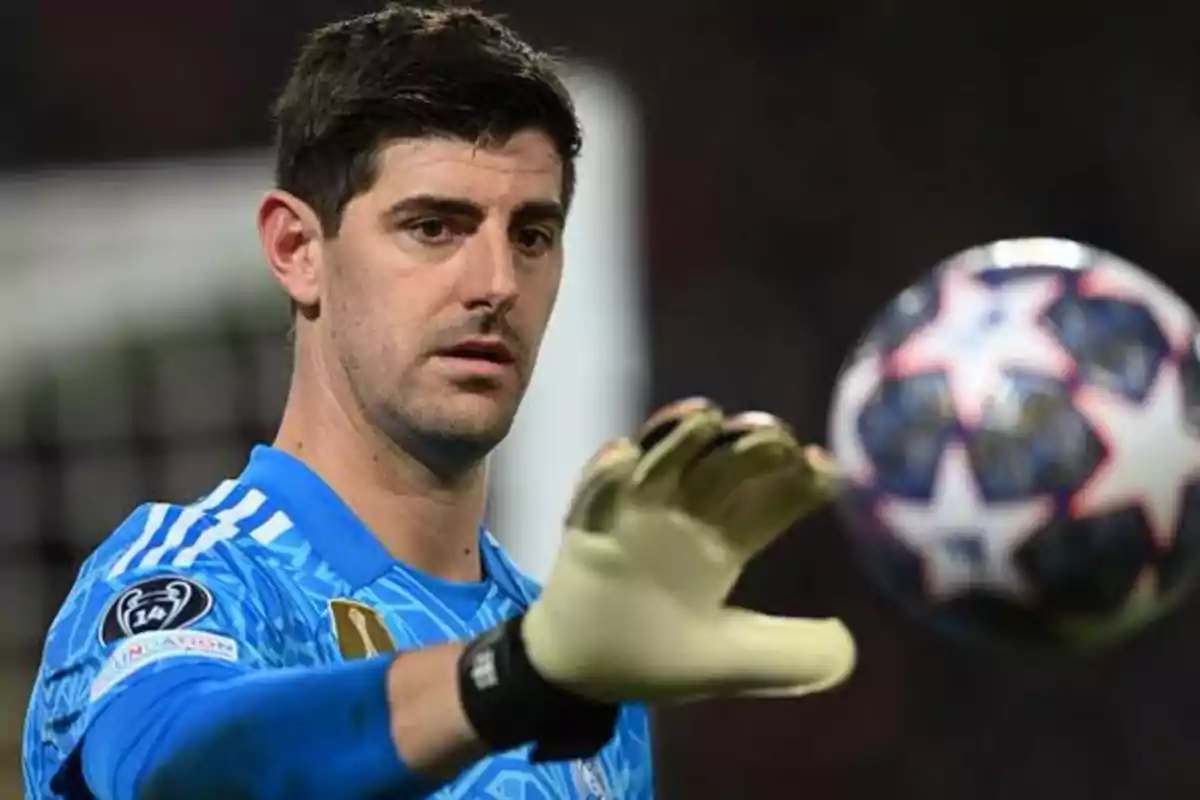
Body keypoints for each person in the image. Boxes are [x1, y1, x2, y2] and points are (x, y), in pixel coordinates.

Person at [22, 4, 857, 798]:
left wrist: (544, 664)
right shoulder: (198, 572)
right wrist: (513, 677)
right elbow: (180, 767)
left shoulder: (585, 656)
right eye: (434, 227)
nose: (496, 284)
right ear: (295, 249)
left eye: (531, 235)